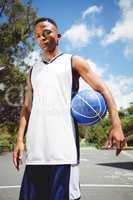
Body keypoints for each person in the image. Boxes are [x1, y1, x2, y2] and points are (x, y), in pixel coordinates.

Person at [13, 17, 125, 200]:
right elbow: (26, 108)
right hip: (36, 153)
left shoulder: (73, 61)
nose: (42, 37)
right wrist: (19, 140)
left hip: (63, 152)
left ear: (58, 35)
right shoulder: (33, 71)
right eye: (37, 36)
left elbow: (103, 89)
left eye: (47, 32)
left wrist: (116, 124)